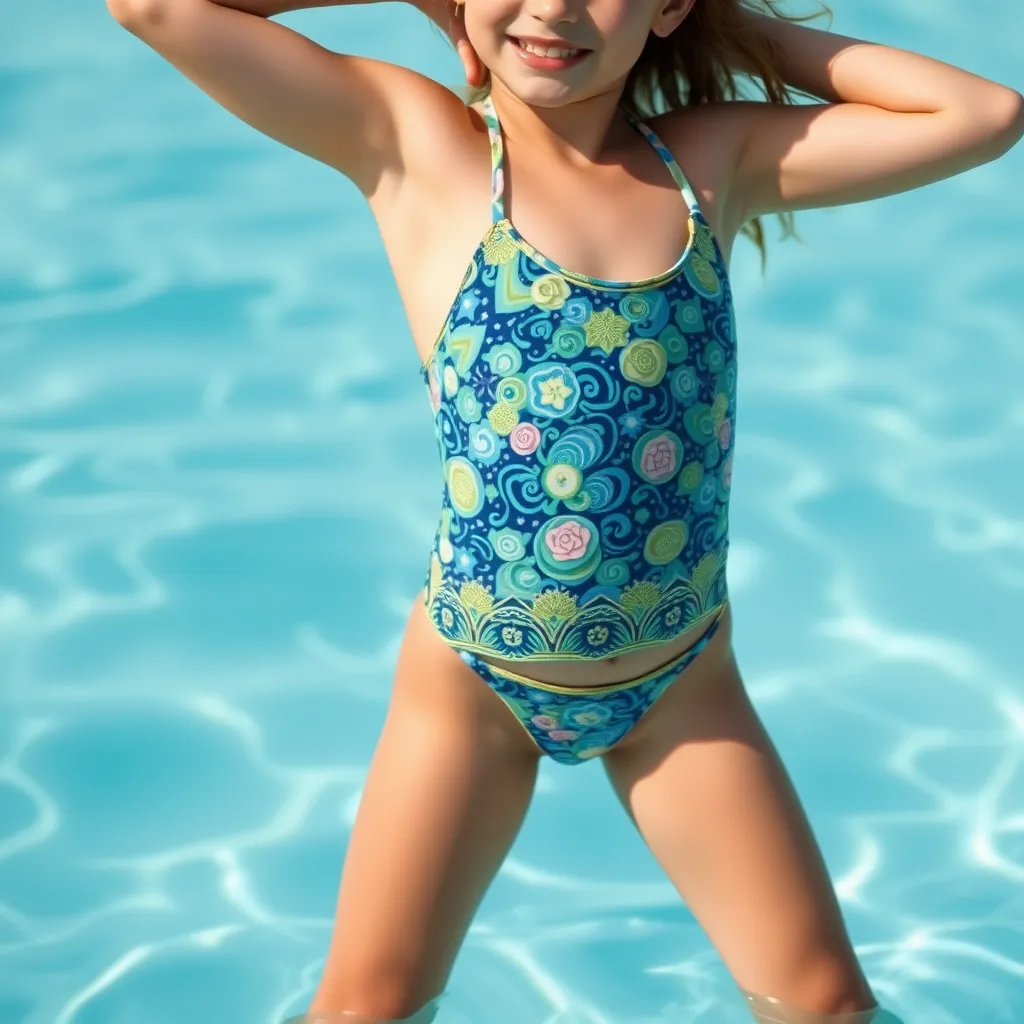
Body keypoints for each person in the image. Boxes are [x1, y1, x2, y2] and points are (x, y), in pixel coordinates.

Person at [105, 0, 1023, 1020]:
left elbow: (981, 112)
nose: (549, 5)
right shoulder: (422, 147)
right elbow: (150, 7)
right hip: (472, 692)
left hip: (681, 694)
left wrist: (725, 22)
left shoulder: (710, 160)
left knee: (825, 1007)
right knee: (368, 1008)